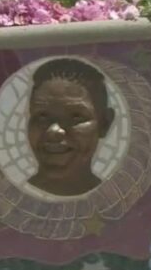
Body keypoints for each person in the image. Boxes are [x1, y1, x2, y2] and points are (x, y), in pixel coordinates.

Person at [26, 58, 115, 196]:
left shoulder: (127, 205)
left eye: (76, 117)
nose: (54, 131)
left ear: (104, 124)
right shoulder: (2, 205)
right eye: (42, 116)